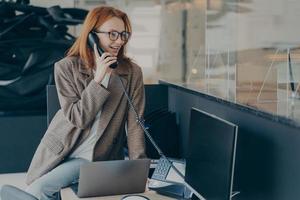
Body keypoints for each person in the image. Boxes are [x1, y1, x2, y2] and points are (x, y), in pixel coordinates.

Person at [22, 6, 146, 200]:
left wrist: (138, 169)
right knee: (39, 191)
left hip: (94, 157)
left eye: (123, 34)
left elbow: (135, 124)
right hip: (62, 149)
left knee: (41, 190)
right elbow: (78, 117)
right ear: (92, 36)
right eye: (112, 34)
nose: (119, 40)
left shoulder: (131, 72)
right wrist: (98, 80)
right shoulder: (66, 67)